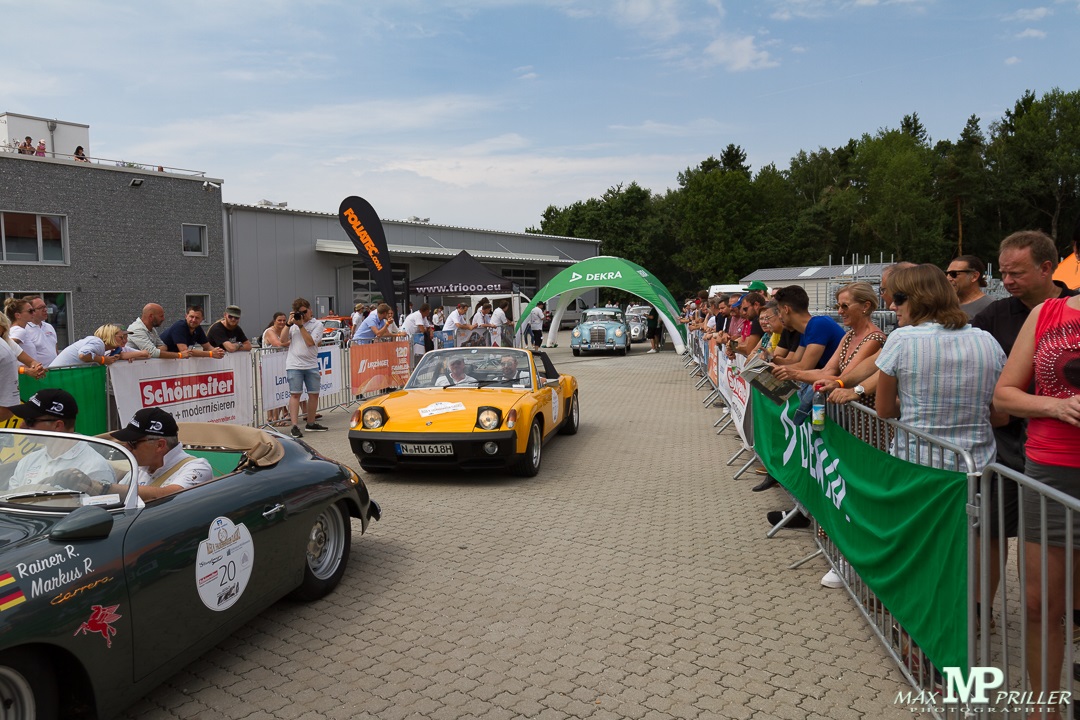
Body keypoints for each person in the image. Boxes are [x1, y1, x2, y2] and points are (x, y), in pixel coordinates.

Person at [971, 230, 1079, 643]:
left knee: (1068, 543)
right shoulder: (995, 315)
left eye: (1017, 272)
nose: (1008, 280)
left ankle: (1070, 614)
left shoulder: (1070, 307)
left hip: (1059, 450)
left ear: (1047, 268)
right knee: (993, 530)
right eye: (1003, 273)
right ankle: (982, 610)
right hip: (1006, 447)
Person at [993, 273, 1080, 709]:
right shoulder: (1048, 314)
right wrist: (1056, 405)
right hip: (1052, 473)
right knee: (1039, 604)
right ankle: (1043, 707)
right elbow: (1004, 396)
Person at [875, 264, 1005, 470]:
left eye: (898, 298)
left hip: (918, 464)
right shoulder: (987, 340)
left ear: (919, 298)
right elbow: (1000, 416)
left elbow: (883, 409)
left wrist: (921, 404)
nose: (892, 306)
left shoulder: (901, 339)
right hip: (977, 467)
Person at [3, 389, 114, 490]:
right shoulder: (27, 461)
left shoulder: (95, 467)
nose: (21, 426)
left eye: (29, 420)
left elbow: (96, 511)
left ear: (57, 426)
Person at [99, 408, 214, 501]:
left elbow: (172, 496)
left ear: (160, 445)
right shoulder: (140, 468)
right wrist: (90, 487)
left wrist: (104, 488)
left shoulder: (198, 467)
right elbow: (115, 499)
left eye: (133, 443)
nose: (127, 447)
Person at [278, 297, 327, 437]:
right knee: (295, 394)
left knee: (314, 394)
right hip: (294, 364)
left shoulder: (317, 324)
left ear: (310, 310)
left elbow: (310, 342)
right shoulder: (293, 324)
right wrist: (288, 324)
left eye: (305, 312)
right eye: (300, 313)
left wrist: (301, 326)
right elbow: (282, 340)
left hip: (311, 364)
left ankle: (311, 423)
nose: (303, 315)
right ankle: (294, 426)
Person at [49, 324, 149, 367]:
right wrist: (103, 360)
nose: (124, 340)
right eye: (121, 337)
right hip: (58, 376)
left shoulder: (99, 344)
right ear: (110, 336)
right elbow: (83, 355)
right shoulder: (98, 342)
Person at [159, 306, 225, 358]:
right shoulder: (179, 327)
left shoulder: (198, 328)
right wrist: (211, 354)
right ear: (186, 316)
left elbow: (208, 347)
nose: (193, 320)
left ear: (202, 319)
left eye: (197, 318)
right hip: (161, 358)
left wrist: (218, 352)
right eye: (191, 317)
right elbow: (185, 352)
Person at [261, 313, 289, 425]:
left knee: (279, 390)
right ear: (274, 321)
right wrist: (295, 342)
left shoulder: (284, 331)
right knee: (272, 390)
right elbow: (278, 344)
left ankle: (274, 418)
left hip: (280, 364)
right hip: (268, 365)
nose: (282, 322)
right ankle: (273, 419)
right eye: (279, 320)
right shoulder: (269, 332)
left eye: (284, 320)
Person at [946, 255, 994, 319]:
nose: (948, 278)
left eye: (953, 274)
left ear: (974, 276)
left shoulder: (990, 307)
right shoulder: (946, 304)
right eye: (947, 274)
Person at [25, 295, 58, 366]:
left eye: (45, 306)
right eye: (40, 308)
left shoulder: (49, 327)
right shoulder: (24, 329)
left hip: (54, 371)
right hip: (37, 373)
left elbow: (55, 348)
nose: (45, 310)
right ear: (31, 311)